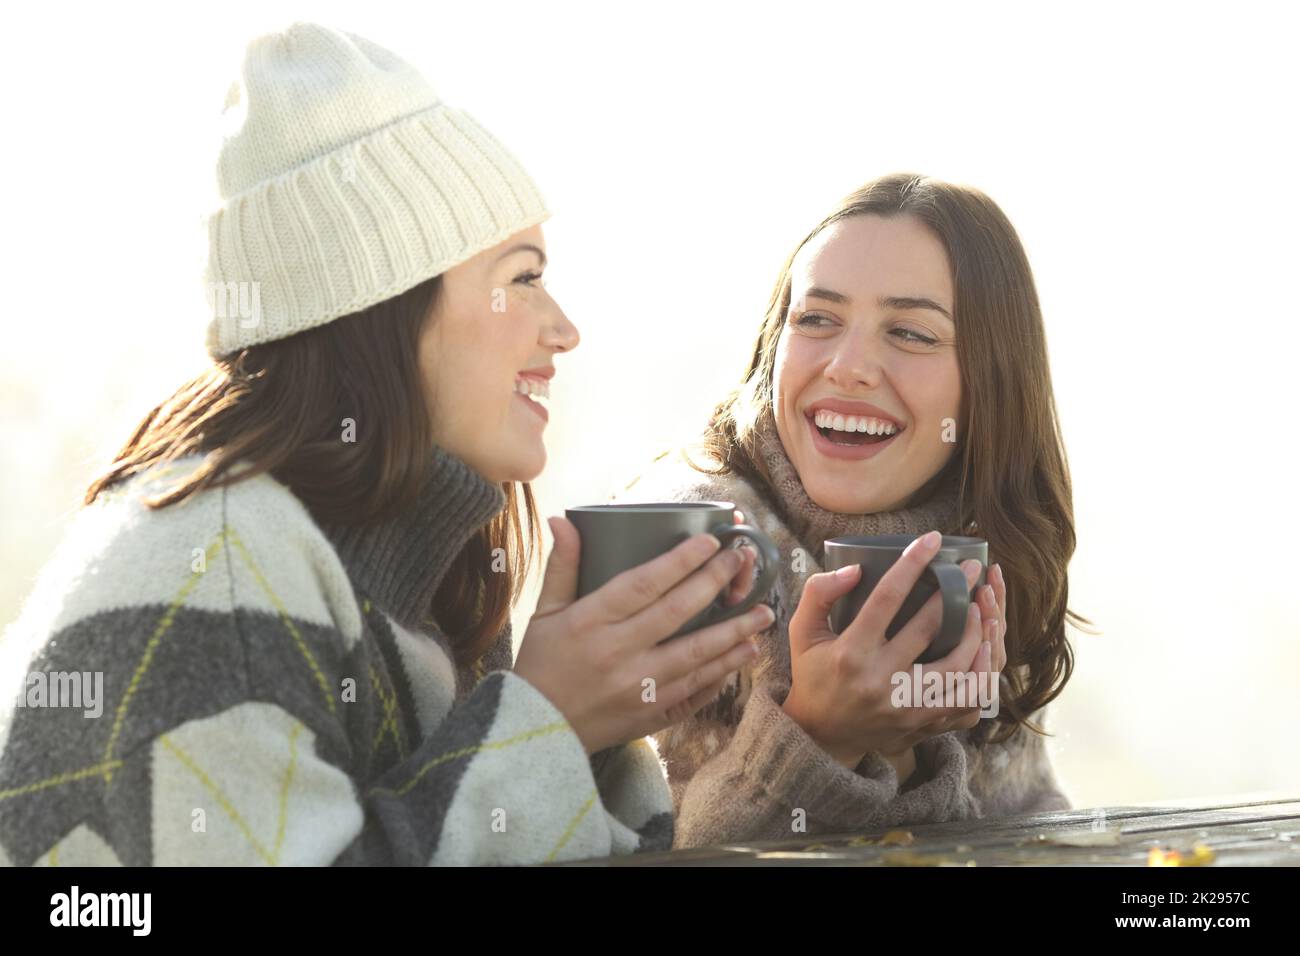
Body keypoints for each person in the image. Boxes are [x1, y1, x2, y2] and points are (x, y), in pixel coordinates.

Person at [0, 22, 769, 866]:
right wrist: (546, 719)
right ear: (386, 303)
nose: (565, 330)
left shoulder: (427, 584)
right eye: (524, 279)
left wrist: (582, 726)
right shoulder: (217, 564)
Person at [615, 173, 1088, 847]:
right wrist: (821, 737)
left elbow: (1028, 825)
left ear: (992, 381)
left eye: (911, 333)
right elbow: (662, 847)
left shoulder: (980, 545)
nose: (848, 365)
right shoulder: (690, 542)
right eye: (816, 319)